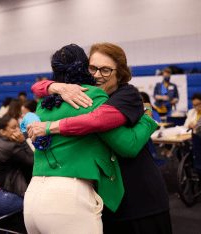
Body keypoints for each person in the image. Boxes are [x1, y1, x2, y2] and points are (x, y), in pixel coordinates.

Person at [27, 43, 171, 234]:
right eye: (92, 68)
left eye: (105, 70)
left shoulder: (124, 94)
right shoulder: (79, 95)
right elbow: (36, 87)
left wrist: (147, 118)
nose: (96, 75)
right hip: (104, 200)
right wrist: (55, 86)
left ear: (119, 74)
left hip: (139, 195)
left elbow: (101, 124)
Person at [0, 116, 33, 210]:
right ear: (2, 132)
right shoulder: (11, 147)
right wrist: (23, 142)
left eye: (18, 127)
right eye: (13, 128)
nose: (19, 131)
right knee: (34, 203)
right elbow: (33, 162)